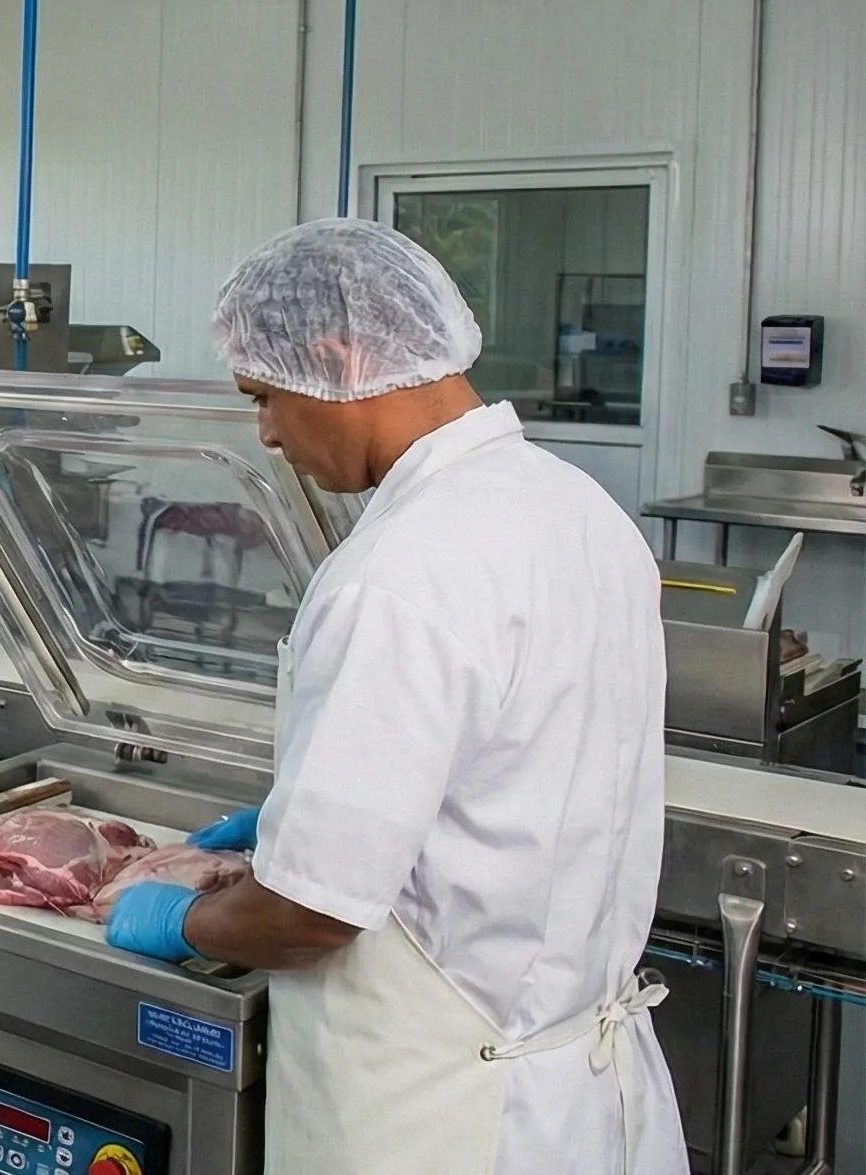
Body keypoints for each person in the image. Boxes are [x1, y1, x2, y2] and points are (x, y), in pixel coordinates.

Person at [102, 218, 684, 1175]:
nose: (267, 432)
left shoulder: (400, 571)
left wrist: (179, 920)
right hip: (572, 1089)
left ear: (342, 358)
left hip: (440, 1113)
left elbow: (311, 917)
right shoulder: (577, 506)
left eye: (265, 395)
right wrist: (311, 816)